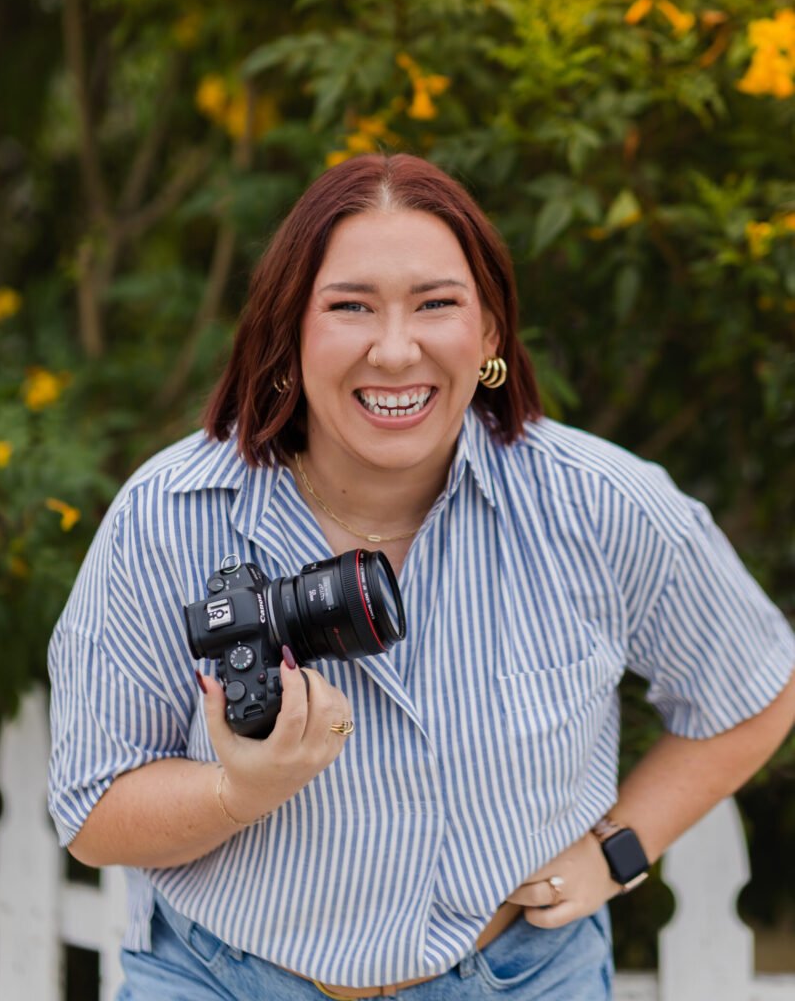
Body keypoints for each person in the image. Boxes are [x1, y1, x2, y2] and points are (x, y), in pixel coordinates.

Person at [48, 153, 795, 1001]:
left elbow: (755, 686)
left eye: (436, 304)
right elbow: (93, 812)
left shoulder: (596, 505)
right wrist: (238, 789)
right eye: (350, 307)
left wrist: (615, 853)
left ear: (488, 336)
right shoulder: (170, 516)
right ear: (289, 332)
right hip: (222, 978)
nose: (396, 349)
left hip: (517, 978)